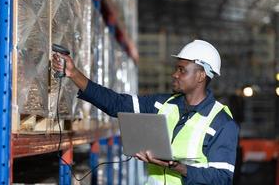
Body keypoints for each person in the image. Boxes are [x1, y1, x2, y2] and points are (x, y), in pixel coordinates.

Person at [52, 40, 239, 185]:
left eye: (182, 70)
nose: (175, 74)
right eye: (176, 69)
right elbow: (116, 103)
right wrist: (73, 73)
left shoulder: (221, 123)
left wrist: (176, 166)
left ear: (201, 76)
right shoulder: (162, 104)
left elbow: (222, 178)